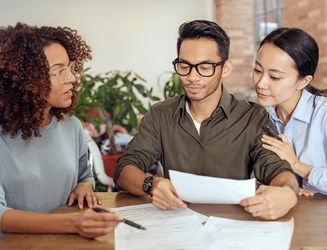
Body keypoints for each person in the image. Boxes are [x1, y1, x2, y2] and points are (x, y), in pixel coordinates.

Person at [115, 20, 299, 220]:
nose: (192, 77)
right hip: (176, 225)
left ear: (225, 68)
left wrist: (288, 194)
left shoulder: (252, 117)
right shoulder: (160, 115)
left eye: (204, 67)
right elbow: (124, 169)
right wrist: (152, 184)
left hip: (234, 226)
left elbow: (279, 171)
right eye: (184, 66)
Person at [0, 23, 121, 238]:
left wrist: (84, 186)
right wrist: (73, 223)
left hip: (63, 242)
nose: (72, 79)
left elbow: (85, 176)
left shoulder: (71, 126)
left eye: (71, 69)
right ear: (26, 79)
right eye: (59, 71)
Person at [253, 27, 327, 200]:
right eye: (258, 70)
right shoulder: (259, 118)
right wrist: (288, 186)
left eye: (274, 77)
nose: (261, 83)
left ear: (303, 81)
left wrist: (298, 167)